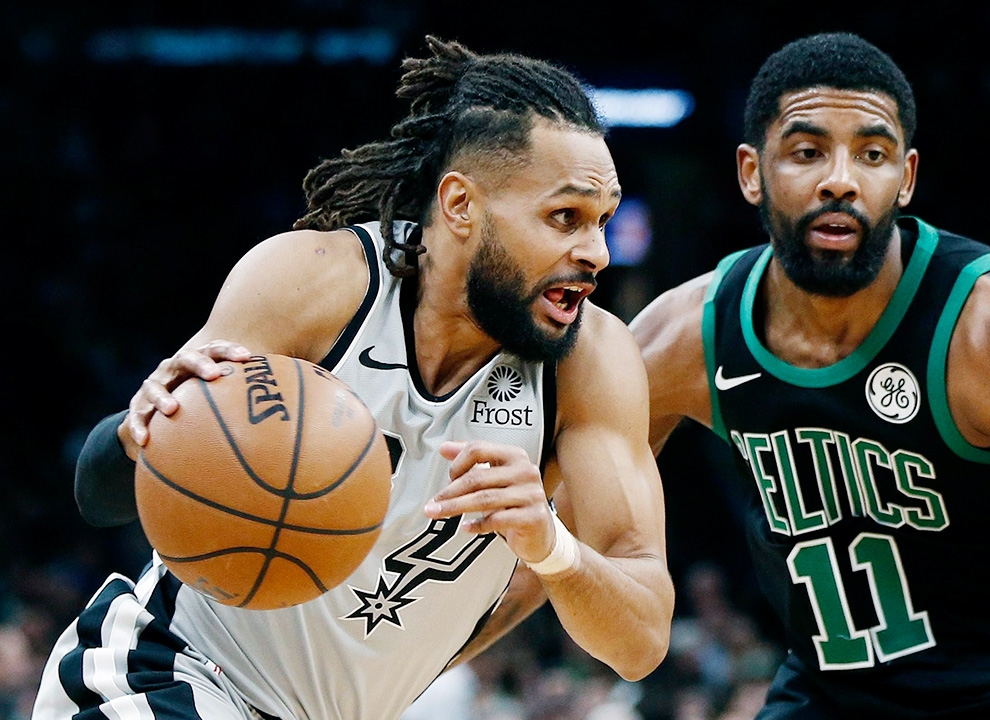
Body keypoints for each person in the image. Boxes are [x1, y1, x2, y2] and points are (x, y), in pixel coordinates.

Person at [32, 36, 673, 720]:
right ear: (461, 205)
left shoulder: (591, 363)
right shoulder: (317, 283)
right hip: (172, 670)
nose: (597, 252)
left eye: (603, 221)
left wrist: (553, 547)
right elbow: (99, 493)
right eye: (565, 217)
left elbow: (641, 643)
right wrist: (140, 433)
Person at [629, 32, 990, 719]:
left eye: (871, 154)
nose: (840, 180)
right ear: (752, 171)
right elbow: (554, 517)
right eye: (808, 152)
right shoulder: (685, 337)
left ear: (905, 177)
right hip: (838, 696)